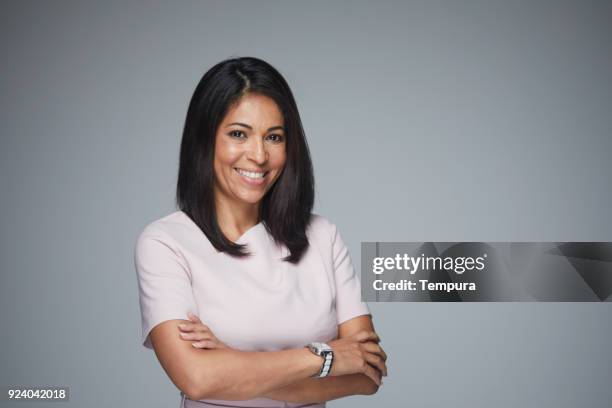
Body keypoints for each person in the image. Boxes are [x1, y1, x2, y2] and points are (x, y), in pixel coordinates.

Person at [134, 57, 387, 408]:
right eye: (239, 133)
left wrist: (232, 362)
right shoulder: (166, 242)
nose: (258, 155)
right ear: (204, 140)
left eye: (274, 137)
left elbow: (368, 374)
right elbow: (198, 378)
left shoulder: (323, 236)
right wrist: (326, 357)